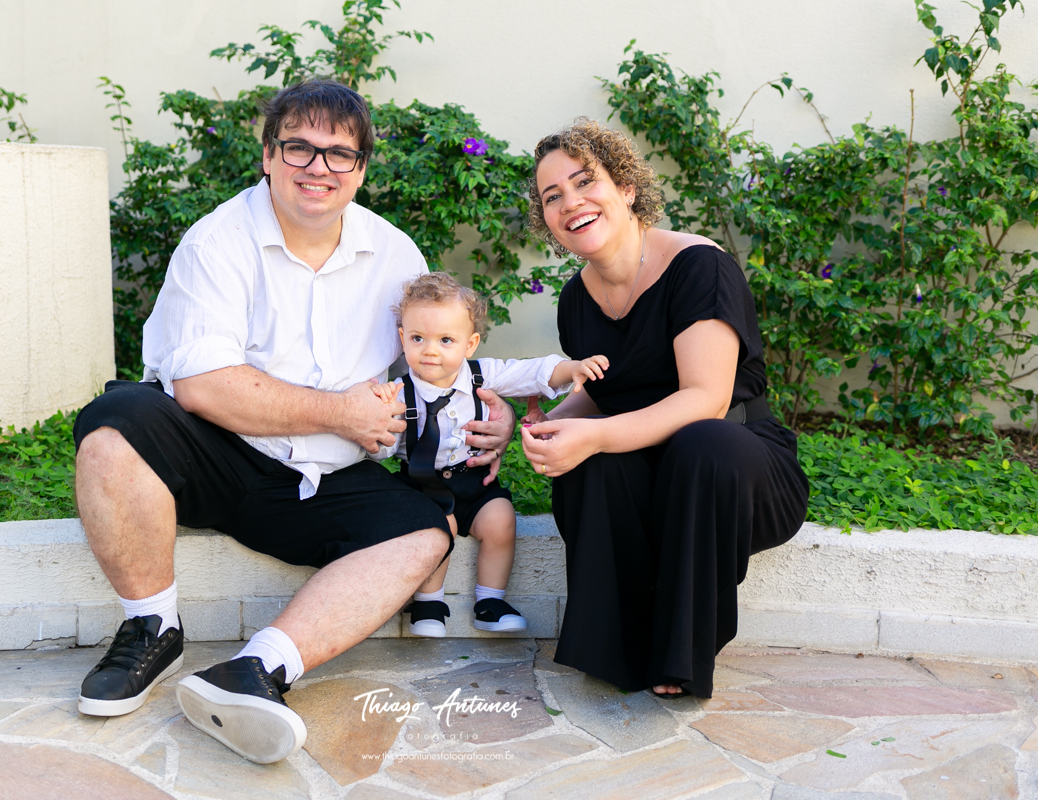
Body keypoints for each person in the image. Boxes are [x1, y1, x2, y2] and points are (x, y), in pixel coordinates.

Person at [70, 79, 516, 764]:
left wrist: (494, 412)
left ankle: (257, 669)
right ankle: (150, 626)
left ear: (362, 168)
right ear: (268, 156)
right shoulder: (217, 241)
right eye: (300, 147)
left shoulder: (396, 256)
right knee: (116, 421)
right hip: (223, 459)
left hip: (333, 478)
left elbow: (434, 365)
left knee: (427, 530)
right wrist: (339, 411)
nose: (319, 167)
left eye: (340, 154)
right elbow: (203, 386)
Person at [520, 118, 809, 699]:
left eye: (585, 182)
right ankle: (616, 649)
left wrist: (597, 434)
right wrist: (548, 426)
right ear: (547, 220)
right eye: (554, 197)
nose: (571, 203)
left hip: (733, 470)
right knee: (590, 460)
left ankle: (682, 653)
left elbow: (709, 398)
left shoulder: (699, 267)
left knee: (702, 439)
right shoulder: (576, 299)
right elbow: (606, 390)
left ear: (625, 187)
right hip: (654, 467)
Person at [368, 272, 608, 637]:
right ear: (403, 338)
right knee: (437, 527)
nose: (430, 350)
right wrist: (383, 421)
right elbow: (383, 447)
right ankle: (429, 603)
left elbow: (530, 372)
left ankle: (490, 601)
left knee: (500, 519)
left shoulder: (482, 376)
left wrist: (571, 368)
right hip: (422, 486)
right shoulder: (398, 394)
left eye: (446, 340)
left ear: (470, 343)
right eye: (418, 338)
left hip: (474, 481)